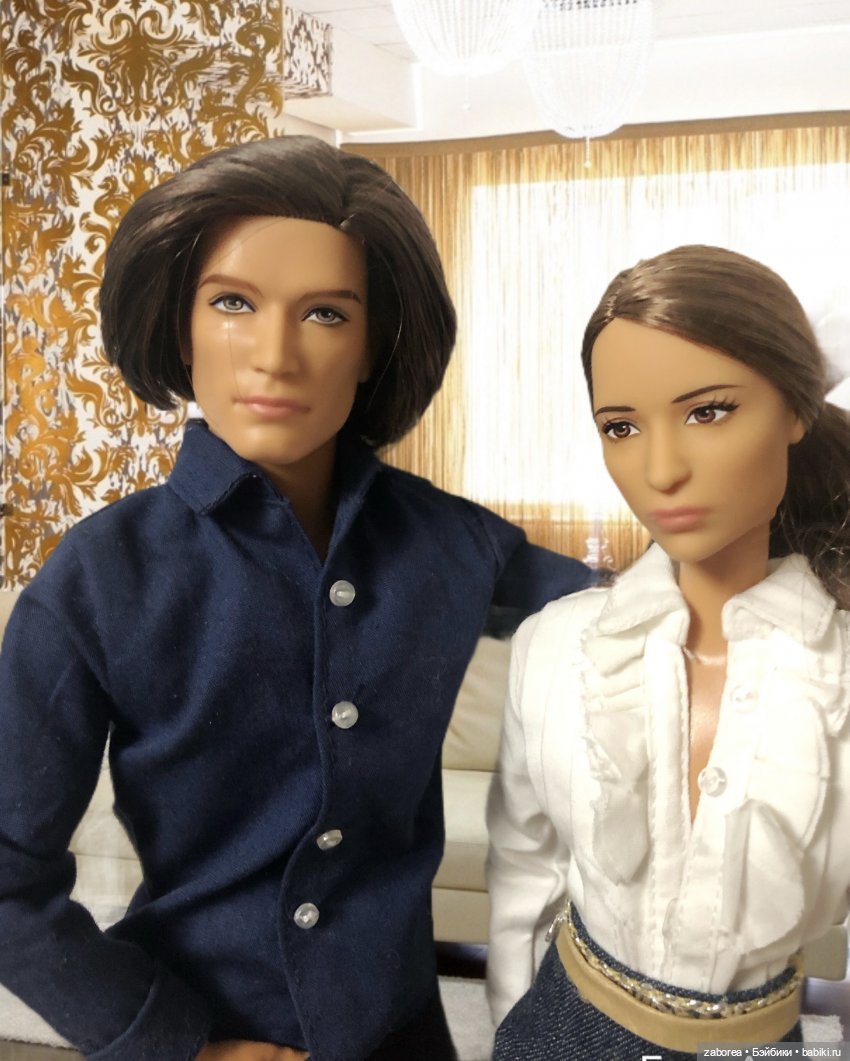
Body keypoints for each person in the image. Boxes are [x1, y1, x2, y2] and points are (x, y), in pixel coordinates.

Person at [0, 136, 593, 1061]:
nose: (275, 355)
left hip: (405, 1036)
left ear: (372, 345)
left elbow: (642, 614)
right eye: (232, 302)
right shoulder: (101, 576)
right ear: (181, 325)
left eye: (325, 313)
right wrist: (173, 1042)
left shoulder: (454, 544)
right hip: (200, 1026)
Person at [486, 244, 850, 1059]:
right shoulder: (555, 645)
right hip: (557, 1029)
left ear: (795, 411)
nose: (660, 469)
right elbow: (524, 868)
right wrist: (513, 1022)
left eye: (708, 411)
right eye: (620, 427)